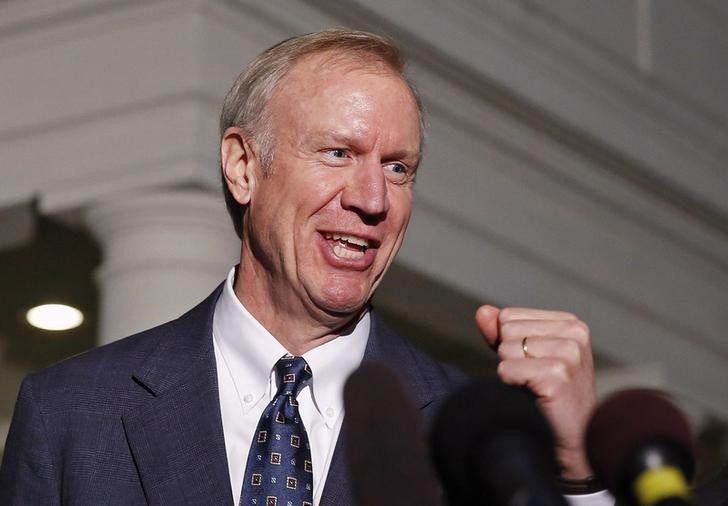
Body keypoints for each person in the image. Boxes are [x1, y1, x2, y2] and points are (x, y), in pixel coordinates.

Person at [0, 29, 605, 505]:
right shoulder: (73, 413)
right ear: (243, 167)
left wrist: (578, 474)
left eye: (398, 168)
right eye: (338, 153)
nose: (372, 199)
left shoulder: (476, 432)